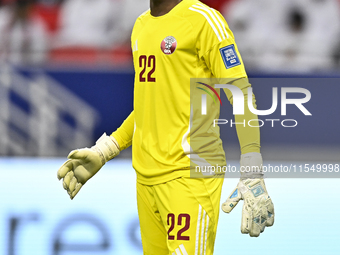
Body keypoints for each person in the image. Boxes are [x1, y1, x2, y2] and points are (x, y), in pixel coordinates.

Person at [57, 0, 275, 254]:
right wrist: (105, 150)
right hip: (146, 179)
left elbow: (241, 93)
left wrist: (252, 169)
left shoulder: (204, 20)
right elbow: (149, 106)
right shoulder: (141, 26)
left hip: (190, 175)